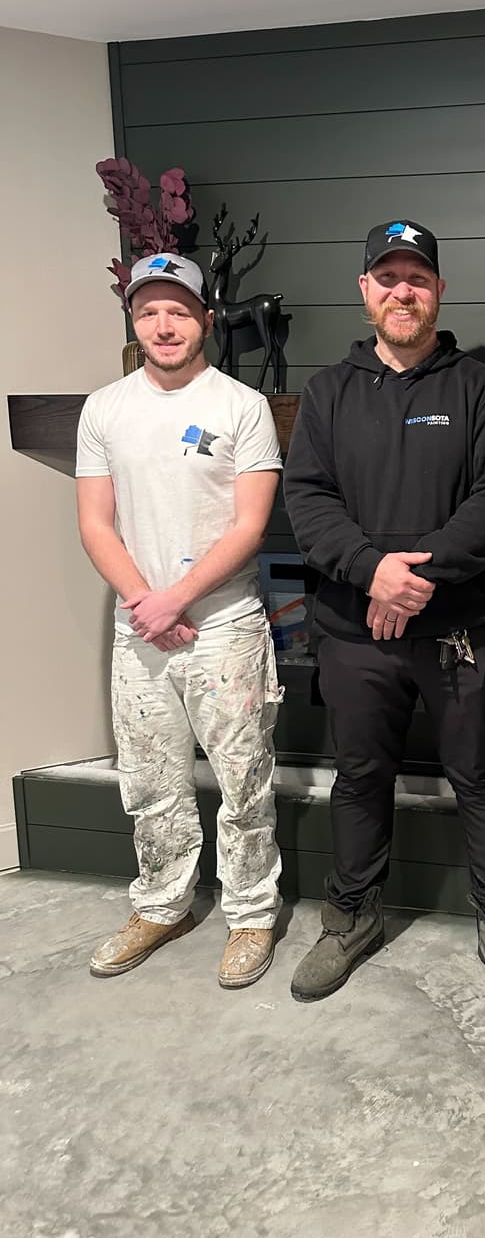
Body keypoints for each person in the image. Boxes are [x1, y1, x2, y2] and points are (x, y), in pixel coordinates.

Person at [282, 219, 485, 1014]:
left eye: (418, 279)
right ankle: (351, 917)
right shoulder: (328, 391)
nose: (404, 291)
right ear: (365, 292)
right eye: (388, 278)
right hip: (353, 632)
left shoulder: (480, 388)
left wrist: (414, 578)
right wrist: (373, 574)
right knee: (360, 777)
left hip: (462, 628)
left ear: (438, 291)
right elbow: (307, 499)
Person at [76, 253, 284, 989]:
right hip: (139, 633)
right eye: (147, 312)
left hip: (225, 627)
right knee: (151, 780)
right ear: (134, 320)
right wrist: (147, 602)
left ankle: (252, 912)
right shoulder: (105, 408)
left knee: (243, 778)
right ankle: (162, 904)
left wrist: (179, 597)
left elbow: (250, 524)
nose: (163, 325)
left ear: (204, 318)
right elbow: (97, 523)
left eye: (178, 310)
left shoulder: (240, 406)